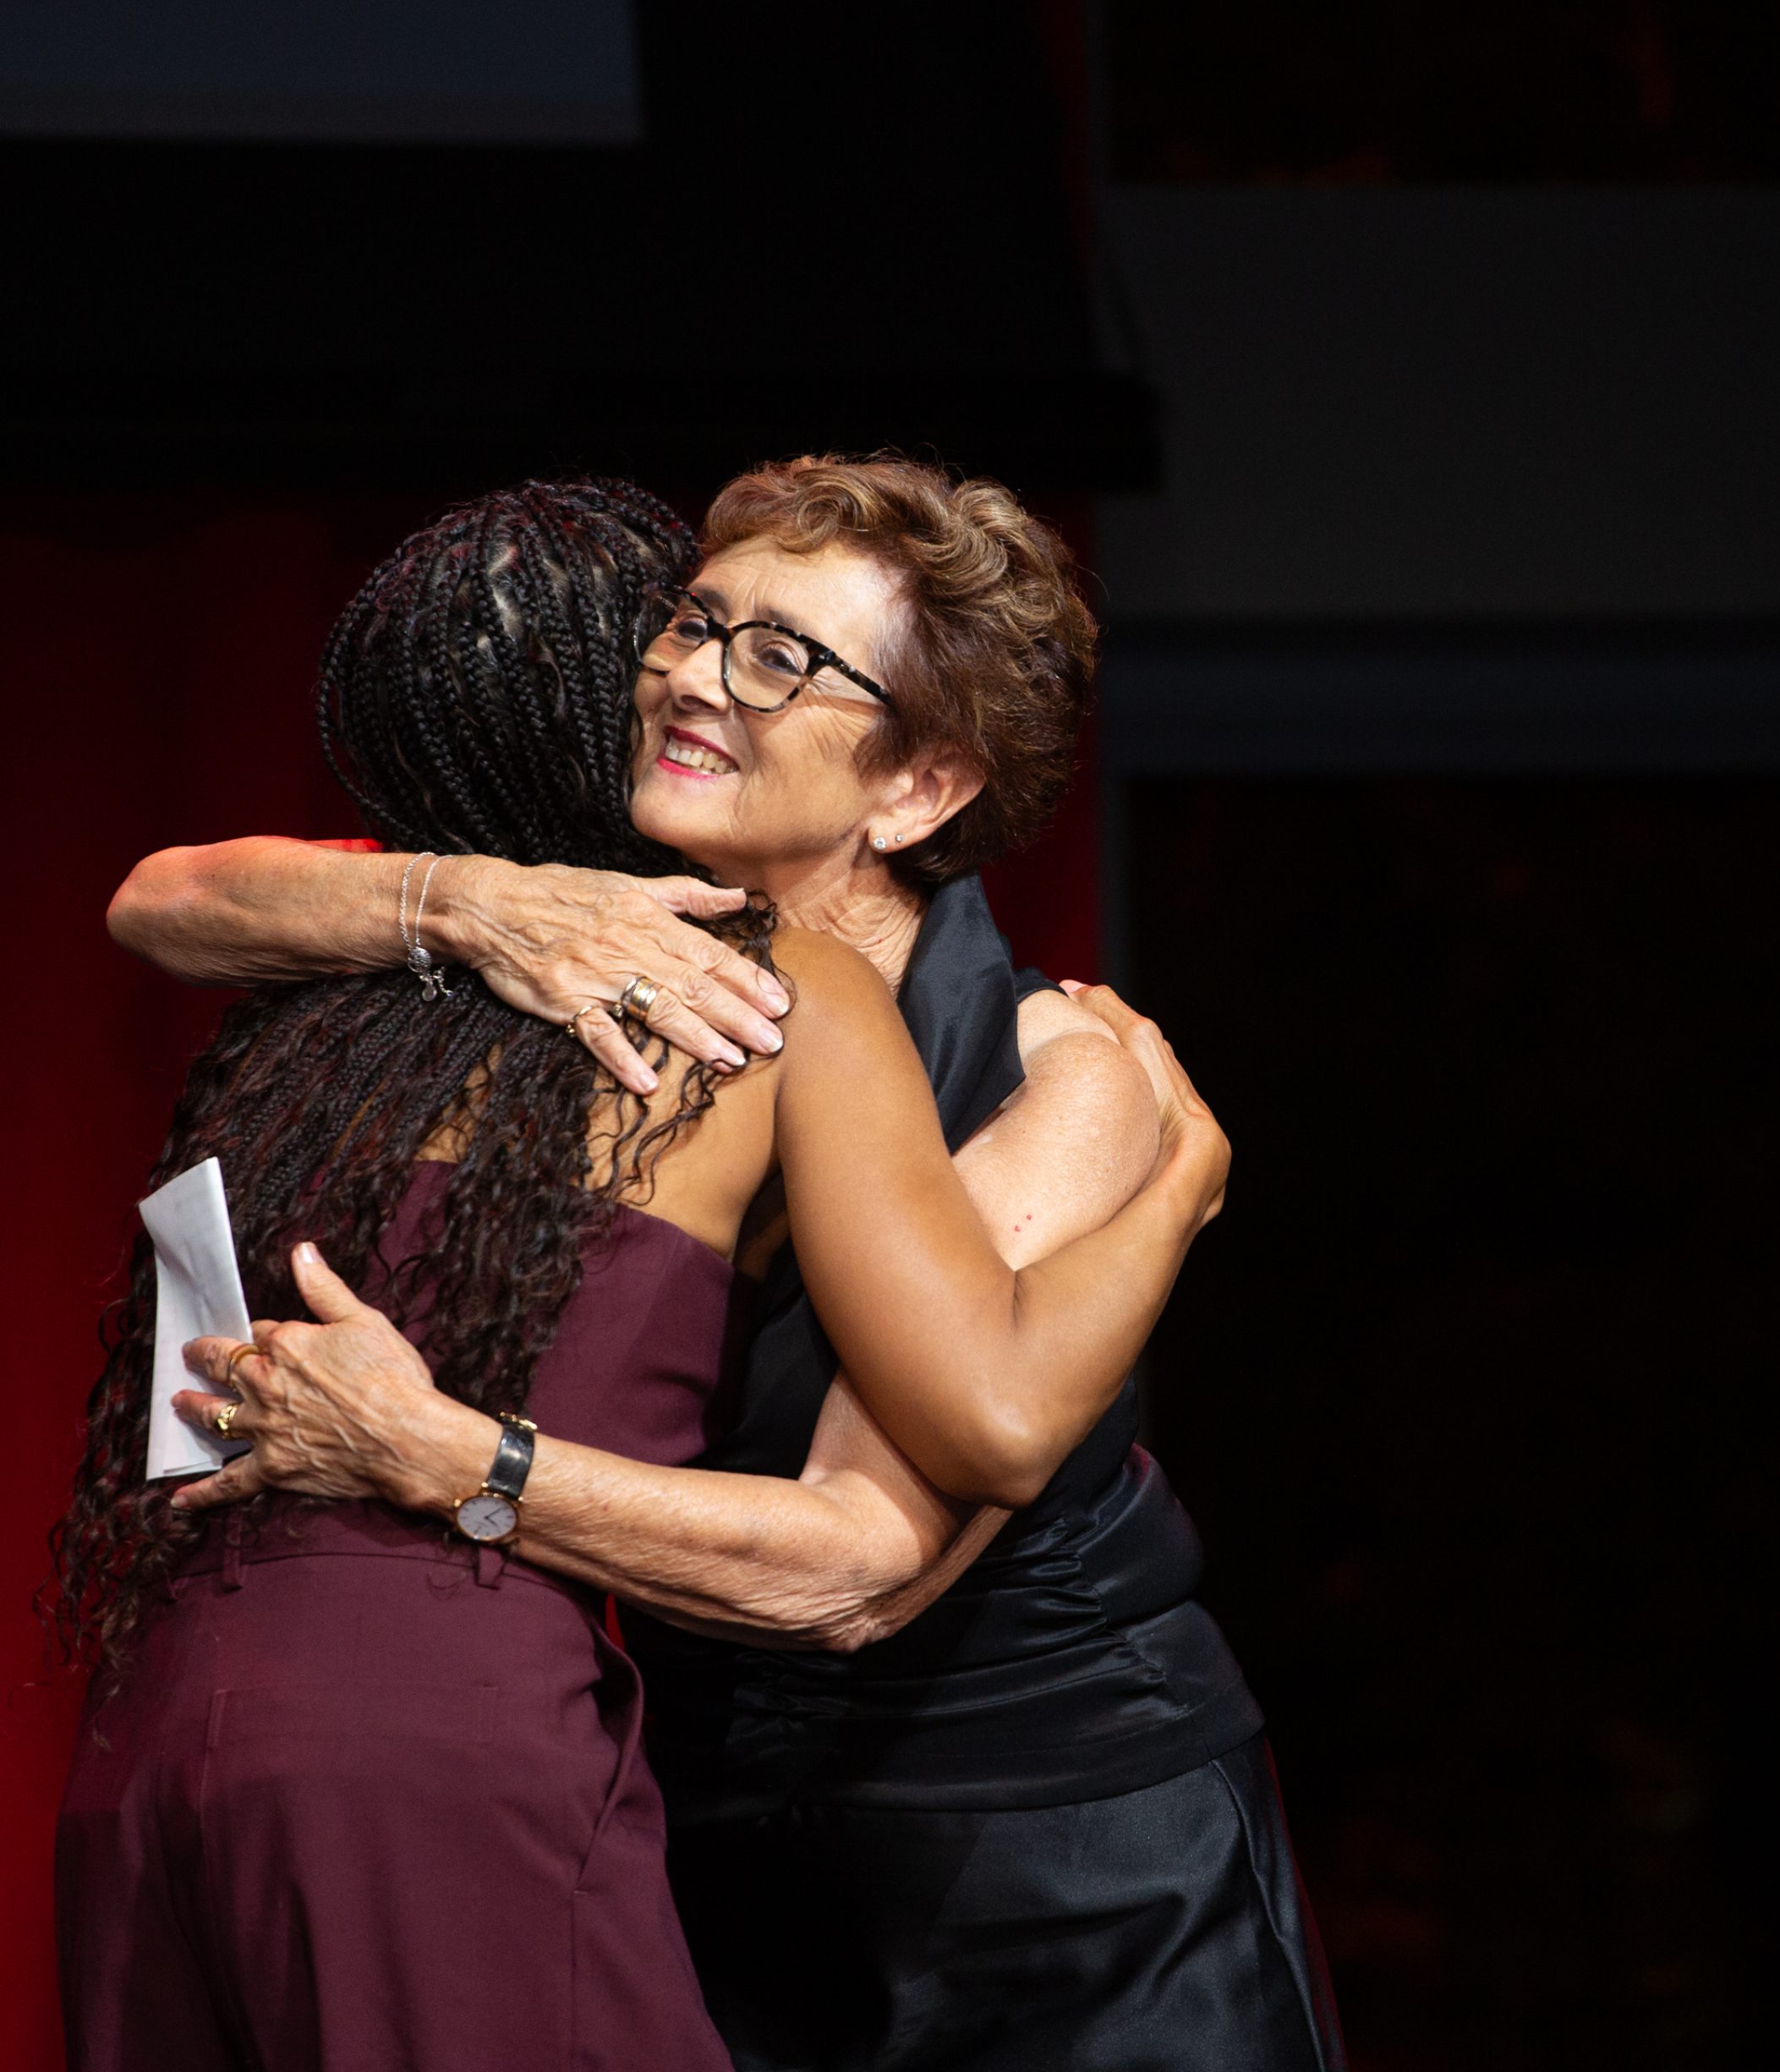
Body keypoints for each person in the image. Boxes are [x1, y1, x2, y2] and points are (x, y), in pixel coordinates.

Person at [113, 453, 1348, 2071]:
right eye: (698, 623)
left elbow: (862, 1569)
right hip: (721, 1831)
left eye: (783, 658)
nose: (694, 673)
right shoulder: (620, 945)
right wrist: (468, 901)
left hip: (1056, 1871)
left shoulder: (1052, 1075)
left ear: (918, 790)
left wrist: (449, 1460)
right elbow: (168, 899)